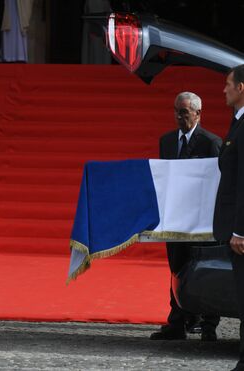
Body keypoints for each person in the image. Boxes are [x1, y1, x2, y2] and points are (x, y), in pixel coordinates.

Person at [150, 92, 222, 341]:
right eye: (176, 111)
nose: (179, 117)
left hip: (202, 220)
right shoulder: (167, 141)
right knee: (176, 268)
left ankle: (209, 324)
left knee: (204, 269)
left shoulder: (211, 142)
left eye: (185, 112)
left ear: (198, 114)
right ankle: (177, 323)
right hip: (176, 217)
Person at [213, 64, 244, 371]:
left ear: (241, 88)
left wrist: (240, 230)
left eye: (228, 84)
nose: (224, 89)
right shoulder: (237, 123)